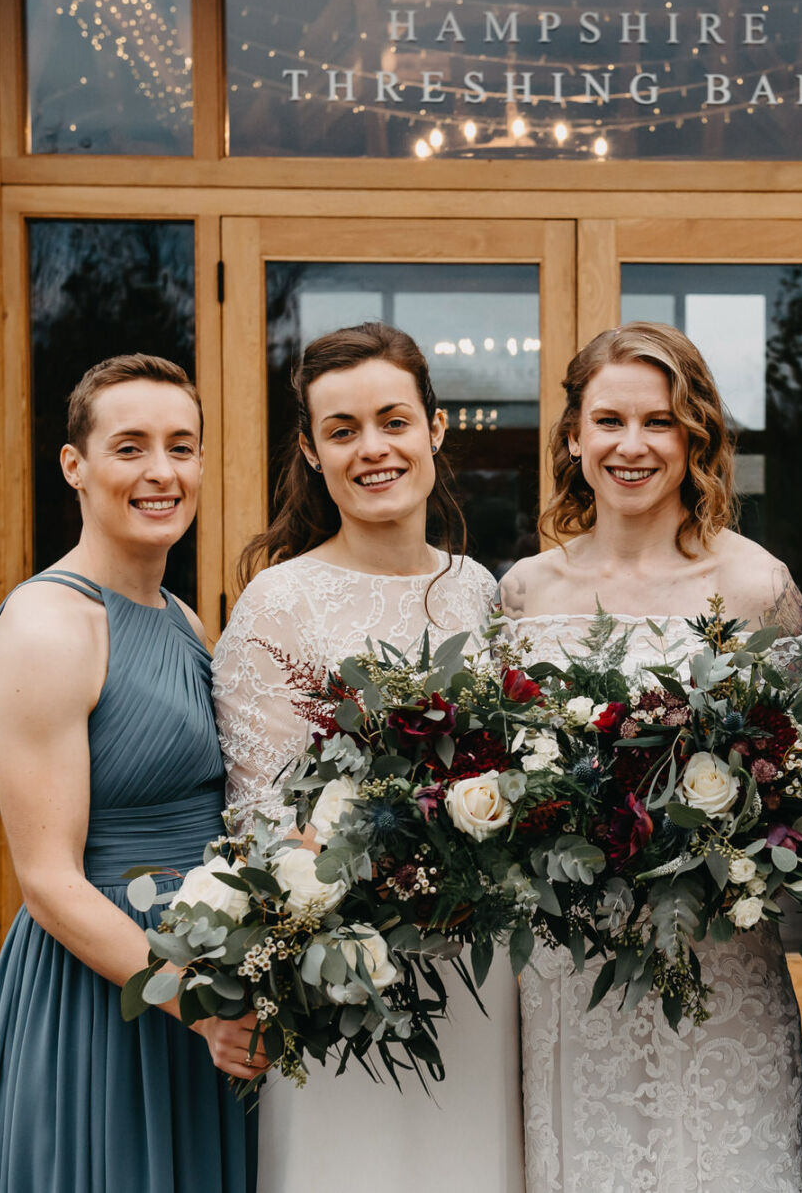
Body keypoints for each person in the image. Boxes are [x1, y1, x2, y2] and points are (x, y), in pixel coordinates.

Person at [497, 321, 802, 1192]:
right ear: (573, 436)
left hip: (716, 958)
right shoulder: (525, 593)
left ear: (695, 436)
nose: (632, 446)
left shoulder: (755, 586)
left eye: (660, 422)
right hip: (573, 964)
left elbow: (794, 784)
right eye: (609, 421)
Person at [210, 322, 518, 1192]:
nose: (373, 449)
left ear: (436, 429)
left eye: (394, 420)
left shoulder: (482, 591)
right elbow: (262, 820)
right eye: (342, 431)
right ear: (310, 451)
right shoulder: (279, 604)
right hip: (343, 977)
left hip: (476, 973)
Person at [0, 354, 262, 1192]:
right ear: (74, 466)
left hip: (198, 977)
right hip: (107, 996)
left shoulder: (185, 619)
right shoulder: (49, 626)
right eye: (130, 447)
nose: (162, 472)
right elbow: (48, 880)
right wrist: (195, 1003)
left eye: (182, 447)